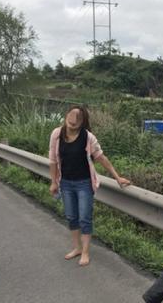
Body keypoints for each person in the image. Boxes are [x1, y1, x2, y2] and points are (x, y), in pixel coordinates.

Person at [48, 105, 130, 266]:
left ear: (83, 122)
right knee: (71, 216)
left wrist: (117, 177)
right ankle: (77, 248)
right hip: (65, 183)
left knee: (85, 217)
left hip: (84, 183)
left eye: (77, 119)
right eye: (71, 117)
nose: (73, 122)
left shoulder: (88, 137)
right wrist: (53, 182)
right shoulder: (57, 134)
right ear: (66, 115)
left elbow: (101, 158)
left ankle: (85, 252)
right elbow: (53, 160)